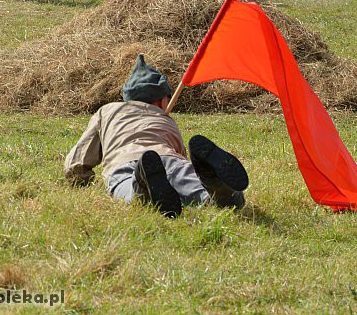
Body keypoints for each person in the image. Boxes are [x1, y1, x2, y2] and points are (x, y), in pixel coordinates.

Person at [64, 55, 249, 218]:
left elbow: (77, 161)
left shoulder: (107, 112)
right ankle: (213, 181)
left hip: (124, 163)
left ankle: (142, 182)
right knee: (206, 198)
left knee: (132, 194)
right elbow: (180, 156)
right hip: (171, 159)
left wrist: (79, 179)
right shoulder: (166, 120)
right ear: (161, 100)